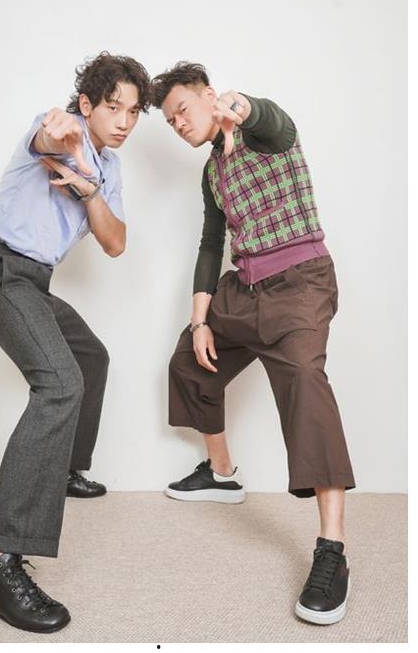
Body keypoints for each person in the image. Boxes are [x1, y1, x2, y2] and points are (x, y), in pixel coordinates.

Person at [151, 61, 355, 625]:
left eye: (182, 110)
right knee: (187, 361)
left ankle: (332, 549)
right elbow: (210, 243)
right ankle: (221, 474)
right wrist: (200, 321)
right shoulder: (211, 172)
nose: (178, 124)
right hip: (244, 289)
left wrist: (243, 107)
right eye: (170, 121)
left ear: (209, 96)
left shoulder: (265, 134)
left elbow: (270, 118)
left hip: (301, 285)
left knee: (306, 384)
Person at [0, 51, 150, 632]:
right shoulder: (56, 129)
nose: (124, 121)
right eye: (113, 107)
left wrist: (91, 189)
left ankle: (62, 468)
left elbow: (115, 243)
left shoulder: (109, 167)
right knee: (60, 383)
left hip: (34, 282)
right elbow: (49, 136)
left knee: (90, 357)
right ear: (88, 104)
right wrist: (62, 135)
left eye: (134, 111)